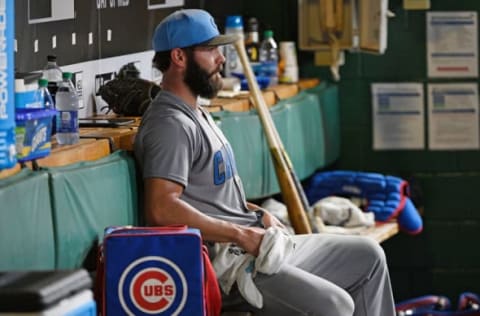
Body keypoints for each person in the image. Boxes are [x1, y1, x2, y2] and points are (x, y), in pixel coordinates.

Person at [134, 8, 396, 316]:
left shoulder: (197, 111)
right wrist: (242, 234)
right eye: (210, 50)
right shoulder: (170, 123)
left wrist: (256, 213)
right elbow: (161, 209)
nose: (221, 58)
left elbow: (212, 199)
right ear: (179, 57)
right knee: (334, 306)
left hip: (257, 245)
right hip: (229, 267)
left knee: (368, 256)